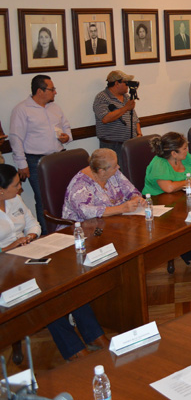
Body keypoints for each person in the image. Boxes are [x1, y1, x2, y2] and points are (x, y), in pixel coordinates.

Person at [0, 164, 109, 361]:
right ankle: (73, 349)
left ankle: (93, 335)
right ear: (1, 190)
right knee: (46, 296)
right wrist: (10, 247)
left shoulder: (15, 199)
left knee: (65, 282)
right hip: (4, 268)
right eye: (16, 185)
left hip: (27, 255)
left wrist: (30, 236)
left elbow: (34, 224)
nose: (20, 188)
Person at [143, 132, 191, 272]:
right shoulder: (159, 163)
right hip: (160, 205)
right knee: (181, 221)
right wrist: (189, 180)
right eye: (184, 148)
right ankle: (189, 255)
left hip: (183, 197)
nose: (187, 150)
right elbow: (168, 188)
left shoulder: (185, 157)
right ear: (174, 153)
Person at [9, 75, 73, 232]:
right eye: (52, 89)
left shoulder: (55, 107)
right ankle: (47, 234)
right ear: (40, 91)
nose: (55, 92)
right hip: (35, 161)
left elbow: (66, 126)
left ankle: (64, 230)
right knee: (43, 199)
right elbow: (16, 138)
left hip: (58, 158)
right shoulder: (22, 109)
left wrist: (67, 137)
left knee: (63, 194)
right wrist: (22, 164)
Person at [62, 148, 143, 223]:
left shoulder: (113, 172)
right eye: (115, 166)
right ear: (102, 171)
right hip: (81, 228)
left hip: (113, 222)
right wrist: (121, 208)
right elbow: (85, 212)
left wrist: (136, 199)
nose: (118, 167)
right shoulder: (80, 185)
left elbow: (131, 190)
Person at [94, 70, 142, 162]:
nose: (128, 85)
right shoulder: (102, 97)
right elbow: (105, 118)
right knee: (115, 169)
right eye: (126, 82)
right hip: (112, 146)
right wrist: (125, 108)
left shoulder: (126, 97)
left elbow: (135, 118)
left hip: (129, 143)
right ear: (116, 83)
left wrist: (139, 134)